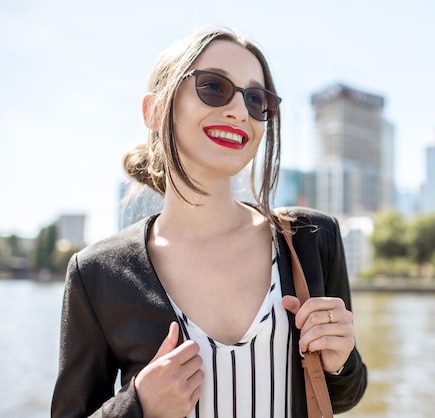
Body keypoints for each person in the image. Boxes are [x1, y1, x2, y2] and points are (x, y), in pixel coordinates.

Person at [52, 26, 367, 418]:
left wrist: (340, 359)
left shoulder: (312, 239)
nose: (239, 111)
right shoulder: (97, 273)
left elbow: (344, 393)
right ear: (153, 110)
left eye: (257, 99)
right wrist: (139, 406)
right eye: (214, 87)